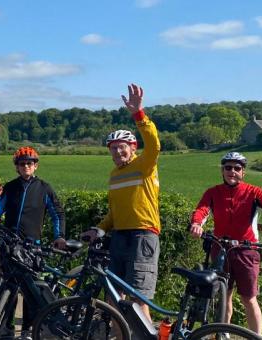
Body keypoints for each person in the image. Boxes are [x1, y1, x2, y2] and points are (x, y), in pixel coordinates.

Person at [82, 84, 161, 323]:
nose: (117, 152)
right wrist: (100, 229)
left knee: (138, 300)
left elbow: (154, 144)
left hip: (143, 235)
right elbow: (114, 213)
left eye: (122, 147)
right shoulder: (114, 175)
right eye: (113, 149)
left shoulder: (145, 165)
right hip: (119, 236)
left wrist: (139, 114)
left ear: (133, 147)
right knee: (114, 297)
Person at [189, 152, 262, 336]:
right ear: (222, 171)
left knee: (249, 298)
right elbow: (202, 210)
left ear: (243, 172)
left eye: (237, 168)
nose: (232, 171)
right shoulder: (213, 192)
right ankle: (222, 335)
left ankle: (256, 337)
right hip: (220, 249)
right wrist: (197, 224)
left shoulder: (253, 192)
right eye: (228, 167)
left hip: (246, 250)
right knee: (225, 296)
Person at [0, 146, 67, 339]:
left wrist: (59, 236)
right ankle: (7, 328)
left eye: (29, 163)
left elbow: (57, 214)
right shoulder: (10, 186)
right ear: (17, 167)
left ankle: (27, 329)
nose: (26, 166)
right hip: (10, 243)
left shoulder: (44, 188)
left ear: (36, 166)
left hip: (32, 246)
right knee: (9, 289)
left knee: (31, 292)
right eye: (22, 163)